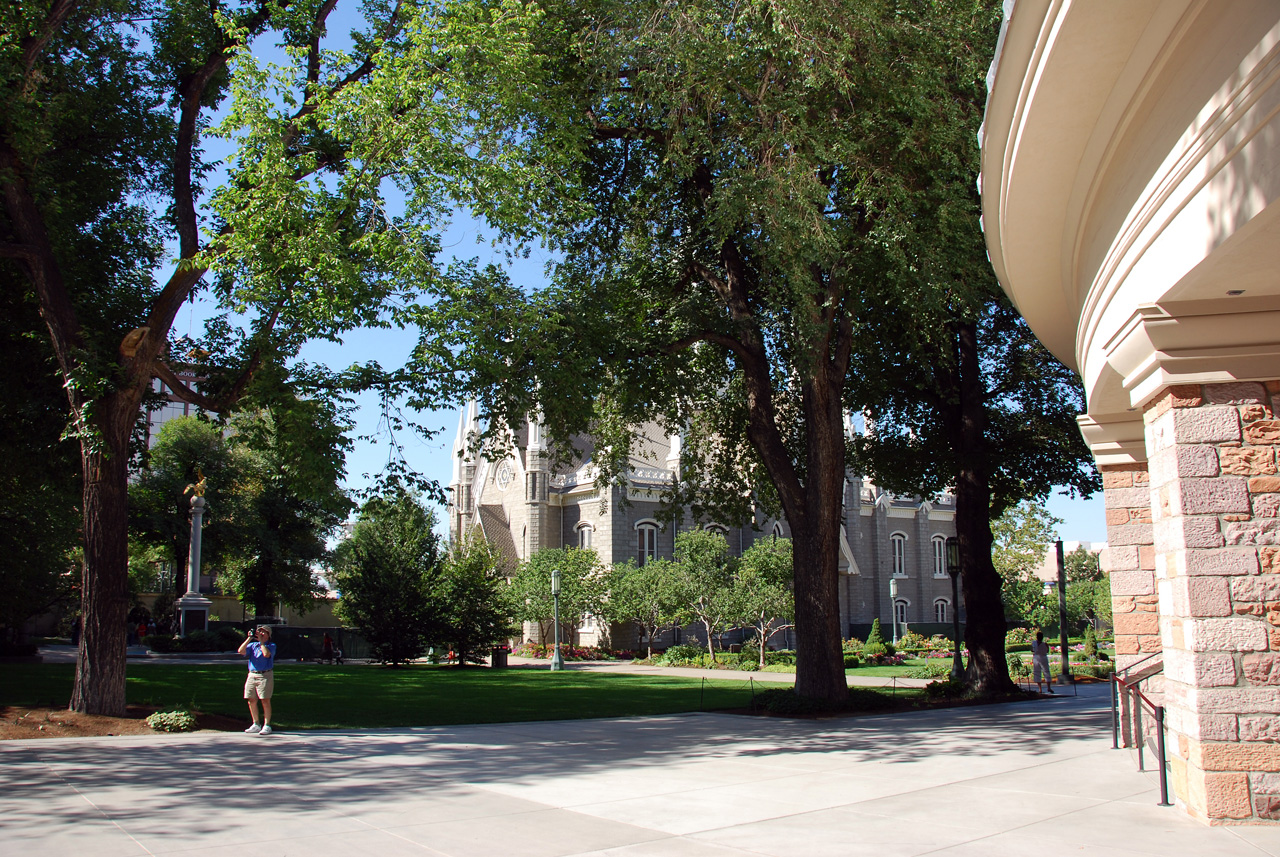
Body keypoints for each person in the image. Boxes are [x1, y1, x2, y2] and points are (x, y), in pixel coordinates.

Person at [238, 625, 277, 734]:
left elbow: (266, 654)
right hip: (252, 674)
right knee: (251, 699)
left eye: (264, 632)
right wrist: (249, 638)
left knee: (265, 700)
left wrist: (262, 643)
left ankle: (267, 725)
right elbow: (241, 651)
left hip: (265, 675)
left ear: (269, 635)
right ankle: (256, 723)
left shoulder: (271, 645)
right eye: (259, 632)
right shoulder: (252, 645)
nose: (261, 634)